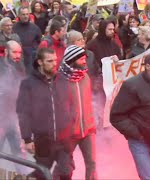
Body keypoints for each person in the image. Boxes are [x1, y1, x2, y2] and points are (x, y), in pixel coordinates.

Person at [110, 51, 150, 180]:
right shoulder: (131, 85)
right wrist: (136, 134)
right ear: (148, 66)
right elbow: (116, 116)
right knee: (148, 178)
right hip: (140, 141)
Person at [16, 48, 74, 179]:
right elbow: (23, 112)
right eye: (50, 61)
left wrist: (72, 125)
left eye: (55, 60)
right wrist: (27, 138)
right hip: (43, 140)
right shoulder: (28, 84)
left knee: (66, 172)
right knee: (42, 174)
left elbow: (71, 105)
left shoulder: (62, 80)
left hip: (64, 139)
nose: (54, 64)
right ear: (40, 62)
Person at [59, 45, 97, 179]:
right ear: (72, 60)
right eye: (81, 59)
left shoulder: (85, 76)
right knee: (64, 167)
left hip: (88, 130)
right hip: (68, 133)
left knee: (92, 164)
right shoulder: (59, 81)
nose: (85, 61)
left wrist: (92, 122)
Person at [0, 41, 26, 174]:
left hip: (13, 118)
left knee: (19, 154)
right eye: (14, 52)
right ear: (6, 52)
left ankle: (22, 175)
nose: (17, 56)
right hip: (1, 119)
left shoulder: (18, 67)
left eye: (20, 53)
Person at [13, 7, 42, 73]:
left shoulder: (35, 28)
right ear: (19, 15)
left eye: (27, 14)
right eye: (23, 14)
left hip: (31, 58)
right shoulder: (14, 28)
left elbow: (40, 42)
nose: (26, 16)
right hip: (18, 58)